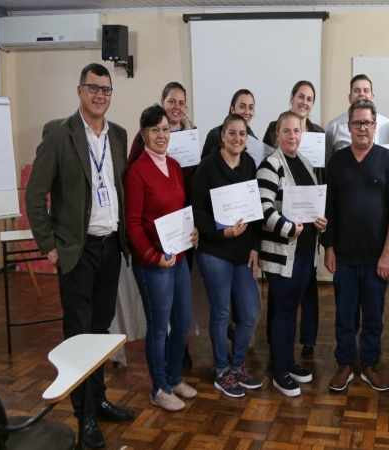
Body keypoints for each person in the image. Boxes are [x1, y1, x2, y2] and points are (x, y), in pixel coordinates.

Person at [25, 63, 135, 449]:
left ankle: (100, 398)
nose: (100, 95)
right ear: (79, 91)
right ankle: (83, 415)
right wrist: (49, 247)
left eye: (106, 89)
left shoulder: (118, 135)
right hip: (77, 251)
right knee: (79, 334)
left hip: (110, 248)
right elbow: (34, 196)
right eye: (93, 88)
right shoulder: (59, 135)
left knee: (101, 333)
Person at [324, 99, 389, 393]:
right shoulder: (337, 162)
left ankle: (369, 365)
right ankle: (345, 364)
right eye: (356, 123)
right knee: (344, 317)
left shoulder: (387, 160)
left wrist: (387, 254)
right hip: (343, 257)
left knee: (373, 317)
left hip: (375, 258)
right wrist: (328, 248)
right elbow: (328, 209)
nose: (362, 128)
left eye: (367, 123)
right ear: (349, 127)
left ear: (375, 126)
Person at [124, 105, 199, 412]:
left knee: (182, 321)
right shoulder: (137, 171)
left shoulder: (175, 165)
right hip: (153, 264)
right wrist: (153, 256)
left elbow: (181, 209)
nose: (161, 135)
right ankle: (159, 388)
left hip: (178, 258)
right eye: (155, 129)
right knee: (159, 327)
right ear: (143, 134)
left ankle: (173, 376)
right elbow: (132, 224)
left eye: (166, 129)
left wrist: (192, 230)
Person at [257, 110, 328, 397]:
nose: (292, 136)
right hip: (282, 254)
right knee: (283, 312)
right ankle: (279, 372)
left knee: (291, 310)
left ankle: (287, 360)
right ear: (277, 134)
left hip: (304, 254)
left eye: (296, 131)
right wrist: (289, 228)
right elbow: (263, 210)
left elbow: (313, 206)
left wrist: (319, 222)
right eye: (286, 131)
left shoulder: (307, 164)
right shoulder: (269, 165)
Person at [192, 114, 262, 398]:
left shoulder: (249, 164)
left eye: (242, 134)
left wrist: (255, 246)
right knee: (221, 312)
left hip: (243, 252)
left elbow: (256, 210)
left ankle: (237, 365)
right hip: (215, 250)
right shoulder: (207, 167)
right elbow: (196, 211)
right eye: (231, 133)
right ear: (222, 135)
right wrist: (222, 235)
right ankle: (222, 371)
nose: (237, 138)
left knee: (249, 314)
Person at [325, 74, 389, 163]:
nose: (361, 94)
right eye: (357, 90)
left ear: (372, 97)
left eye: (366, 90)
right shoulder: (333, 127)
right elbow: (327, 163)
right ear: (350, 97)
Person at [202, 89, 257, 159]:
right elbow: (205, 165)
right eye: (242, 106)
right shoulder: (214, 135)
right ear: (232, 109)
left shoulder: (254, 140)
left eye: (250, 108)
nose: (247, 112)